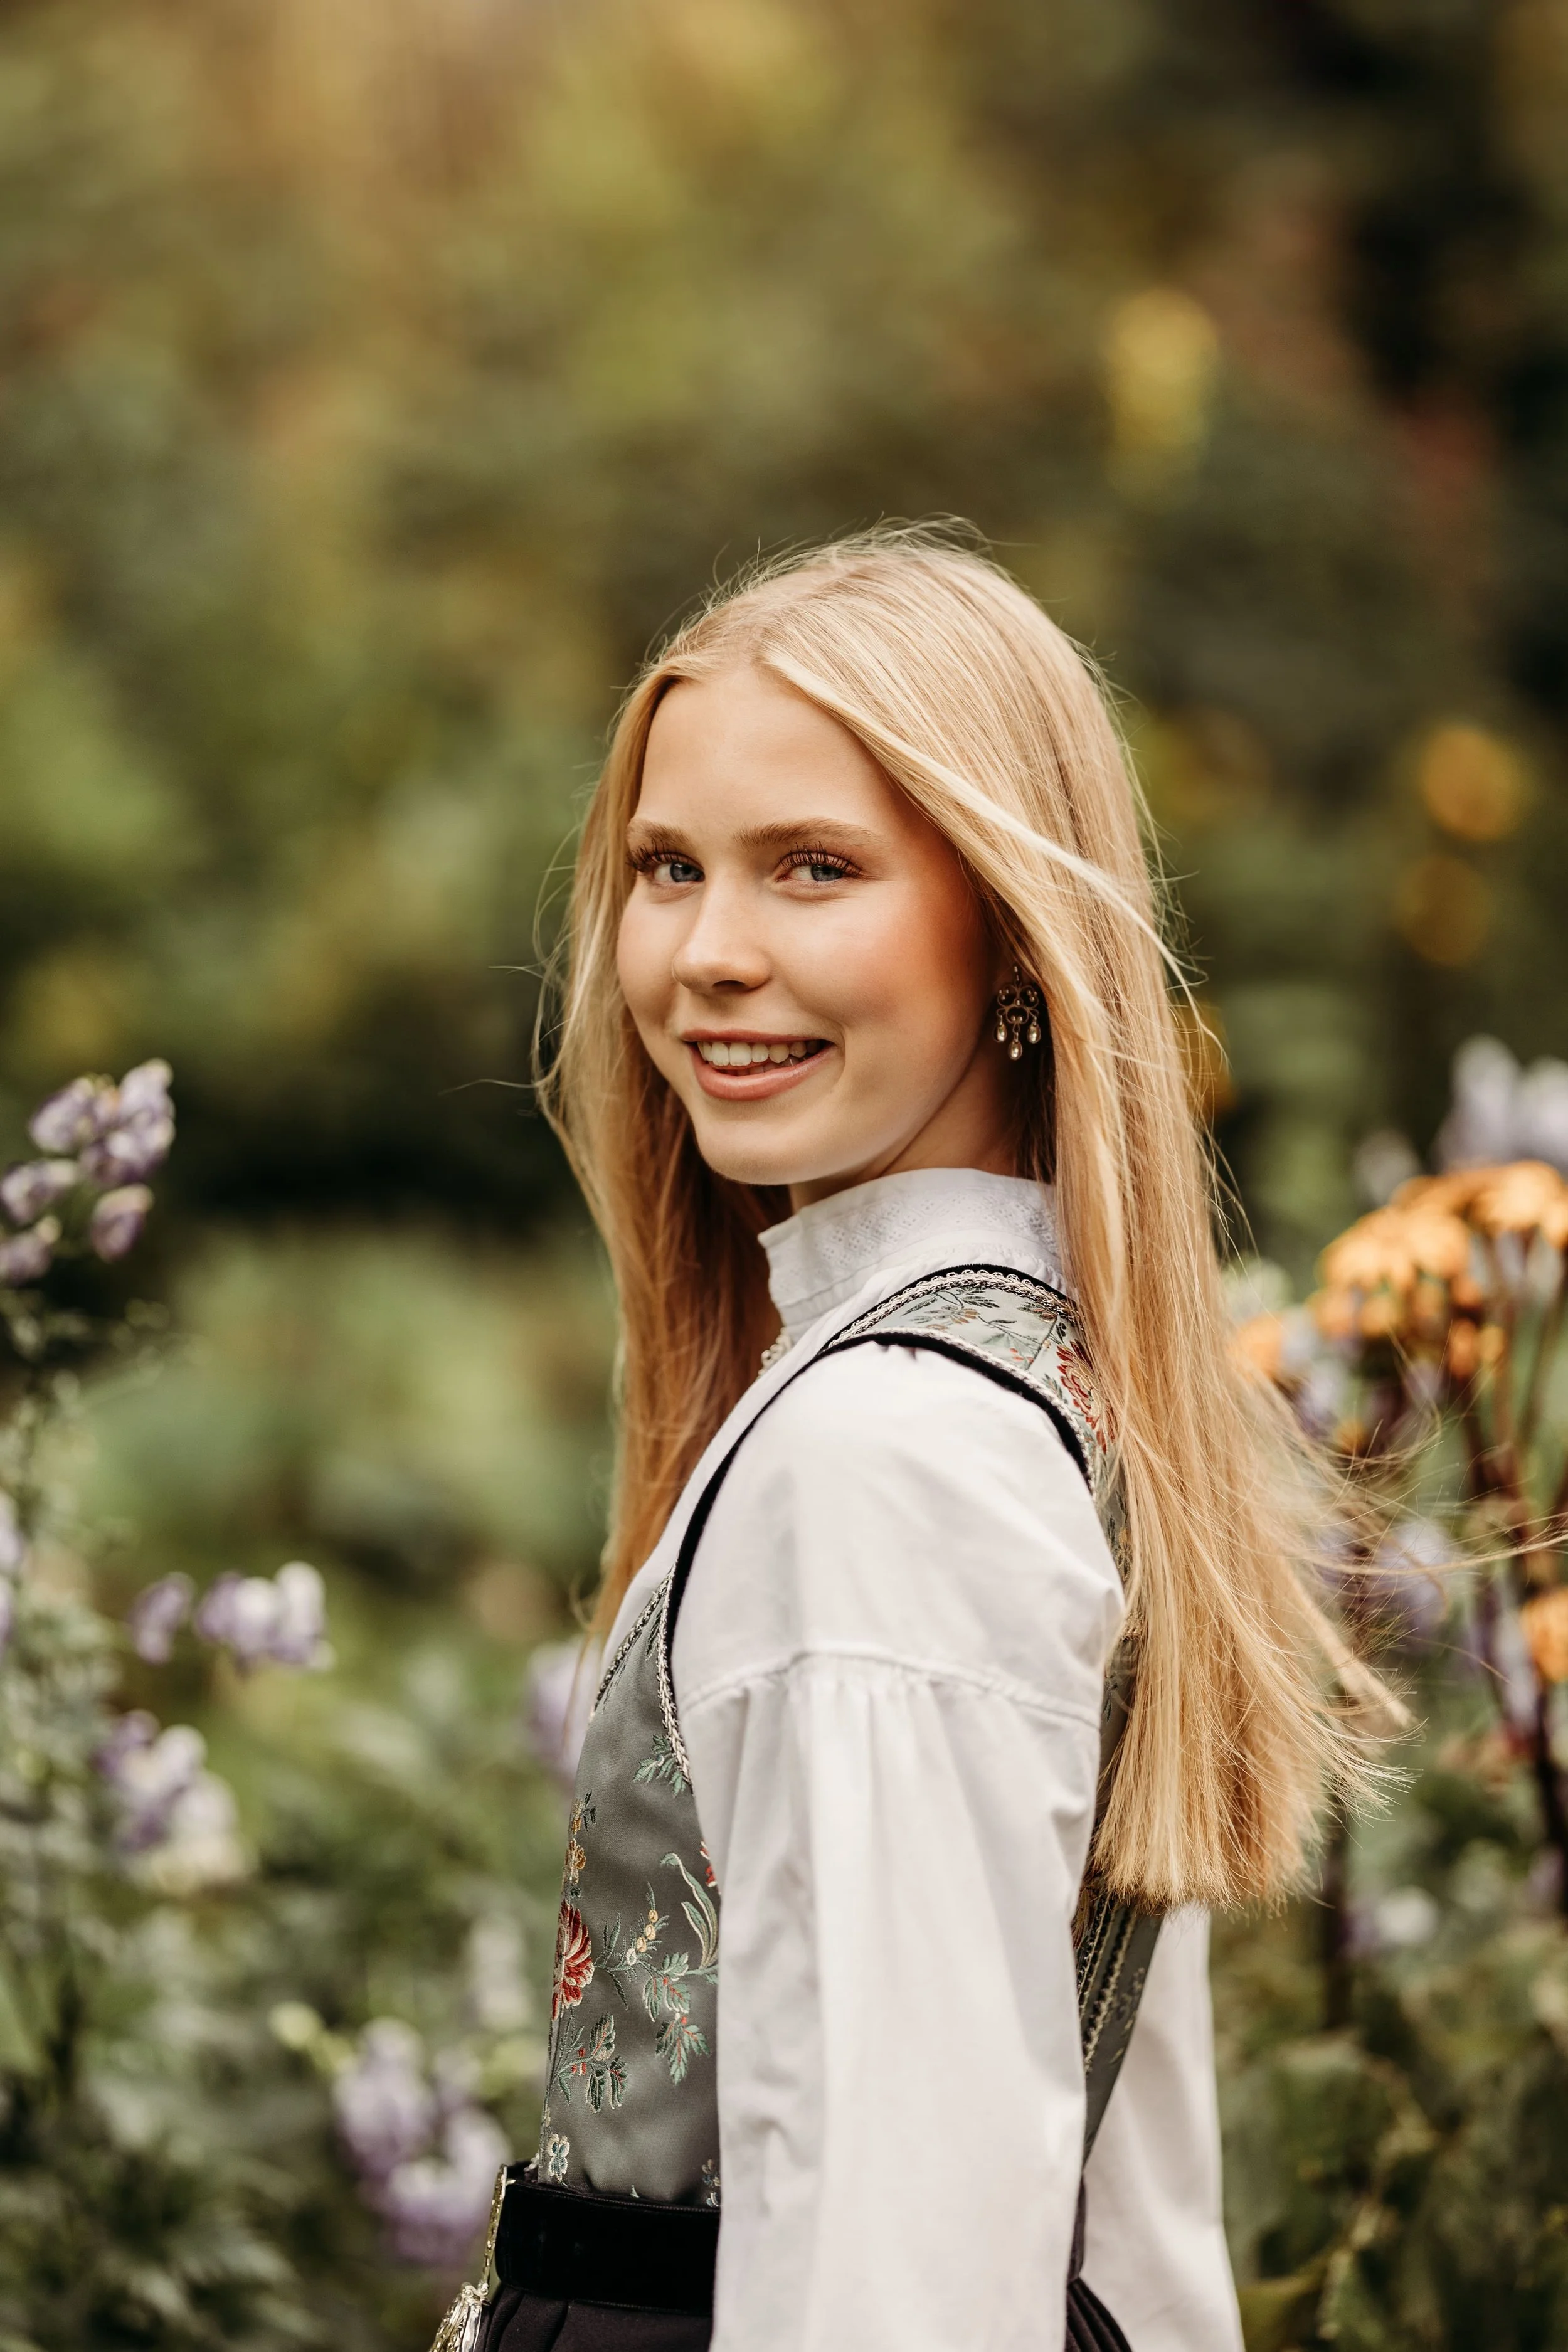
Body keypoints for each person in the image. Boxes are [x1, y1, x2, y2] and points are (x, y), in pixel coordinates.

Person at [437, 529, 1386, 2352]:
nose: (710, 952)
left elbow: (909, 2254)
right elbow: (1119, 2212)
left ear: (1009, 929)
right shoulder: (1036, 1382)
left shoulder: (884, 1452)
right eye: (665, 866)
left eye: (813, 868)